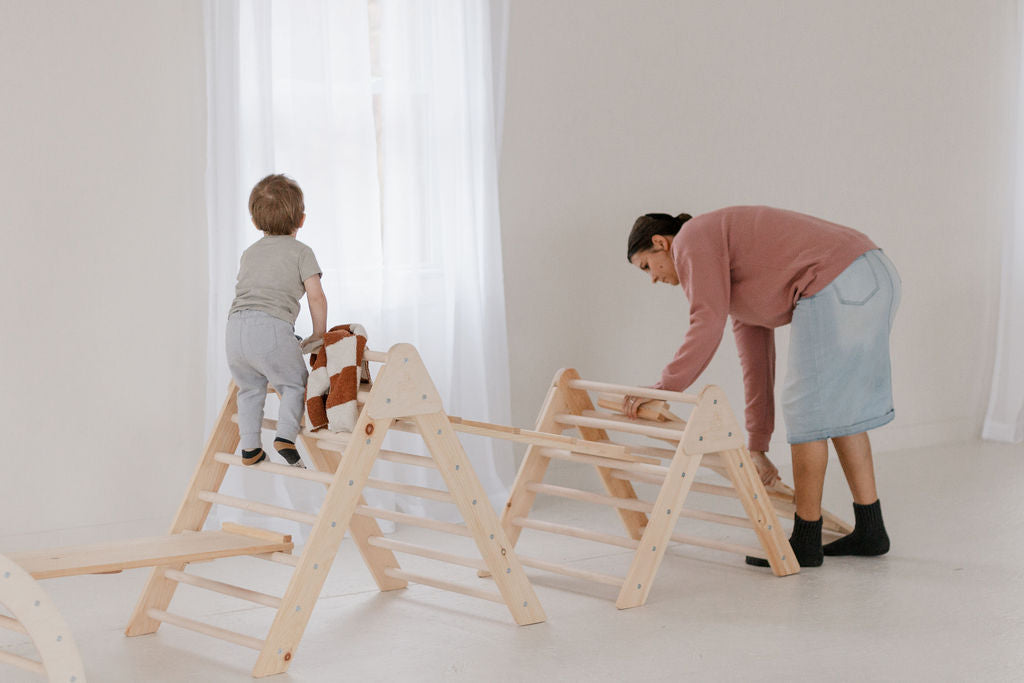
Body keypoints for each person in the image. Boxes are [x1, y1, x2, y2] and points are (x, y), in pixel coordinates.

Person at [624, 206, 900, 567]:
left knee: (807, 412)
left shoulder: (691, 238)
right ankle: (870, 530)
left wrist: (663, 389)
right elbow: (757, 365)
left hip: (838, 277)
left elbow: (705, 323)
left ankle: (805, 540)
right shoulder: (737, 278)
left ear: (661, 243)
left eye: (647, 266)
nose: (654, 280)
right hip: (872, 272)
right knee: (838, 410)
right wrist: (758, 446)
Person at [226, 174, 327, 468]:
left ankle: (250, 448)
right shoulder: (301, 252)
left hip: (234, 330)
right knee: (294, 384)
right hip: (270, 328)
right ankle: (285, 436)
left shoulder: (249, 253)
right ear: (302, 219)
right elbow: (316, 297)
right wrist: (318, 333)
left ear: (255, 222)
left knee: (250, 389)